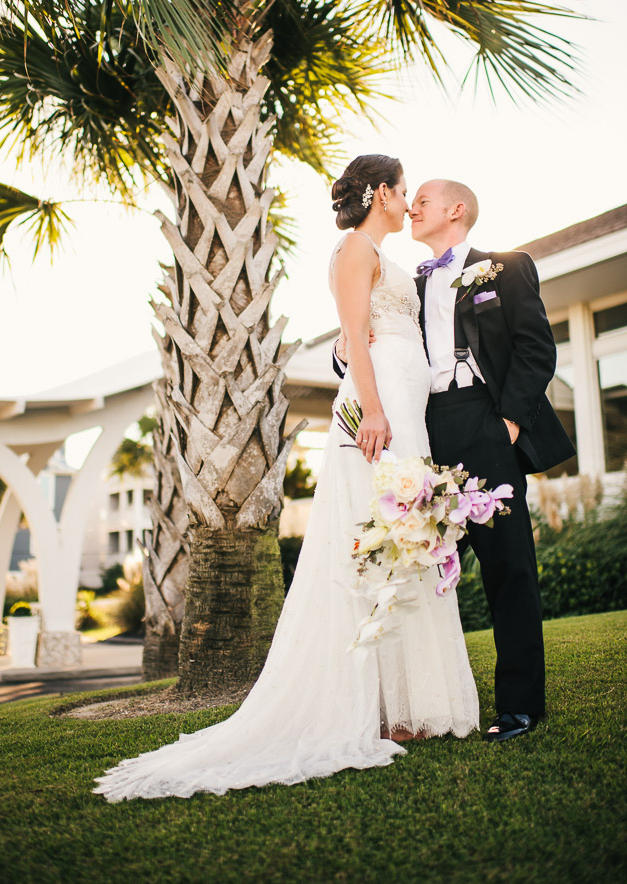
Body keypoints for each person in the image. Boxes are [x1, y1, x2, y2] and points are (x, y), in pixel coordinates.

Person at [94, 155, 478, 803]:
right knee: (374, 539)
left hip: (407, 403)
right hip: (378, 404)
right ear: (380, 193)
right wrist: (375, 409)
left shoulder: (387, 255)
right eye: (403, 190)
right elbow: (353, 335)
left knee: (406, 537)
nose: (407, 200)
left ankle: (406, 703)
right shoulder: (352, 249)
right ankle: (370, 704)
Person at [335, 177, 575, 743]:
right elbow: (377, 334)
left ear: (456, 210)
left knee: (508, 566)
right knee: (412, 562)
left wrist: (510, 423)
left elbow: (537, 348)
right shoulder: (406, 282)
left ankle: (519, 706)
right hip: (421, 424)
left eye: (422, 201)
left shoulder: (506, 268)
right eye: (409, 199)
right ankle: (404, 702)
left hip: (484, 421)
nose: (411, 207)